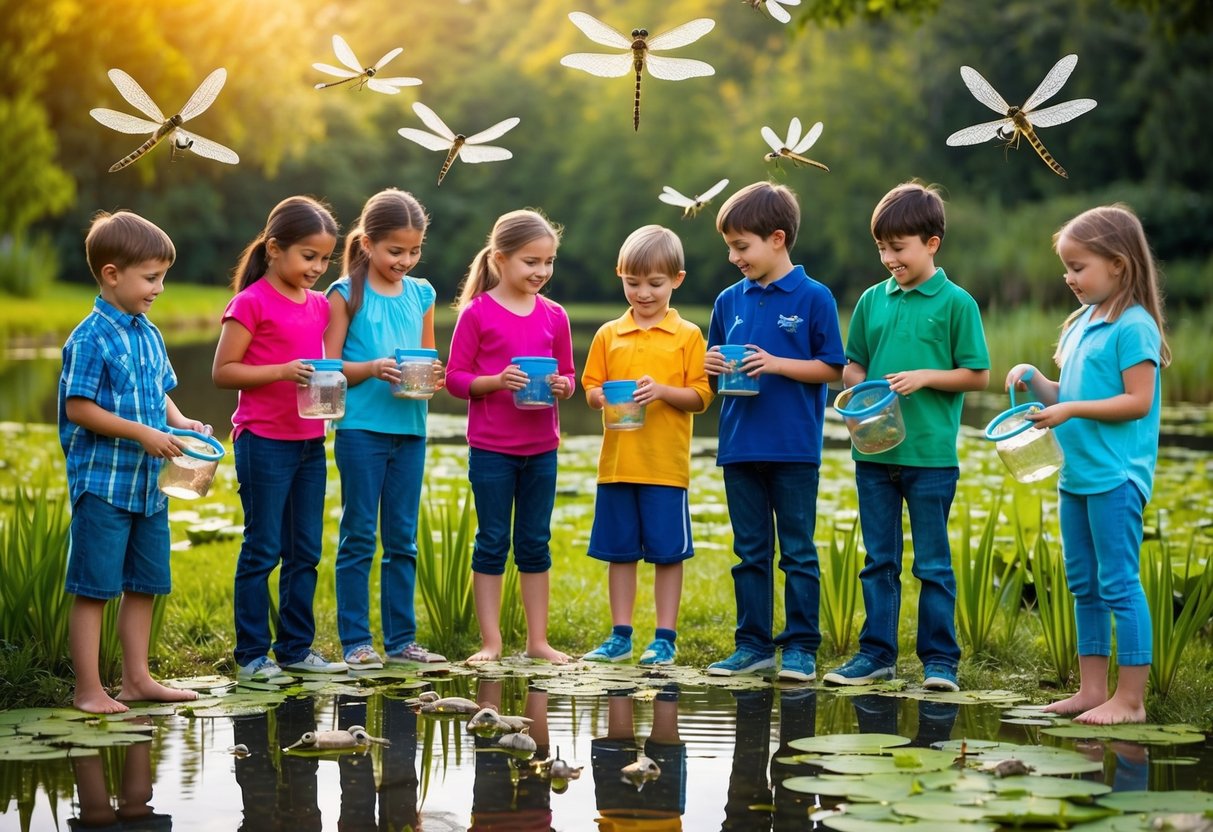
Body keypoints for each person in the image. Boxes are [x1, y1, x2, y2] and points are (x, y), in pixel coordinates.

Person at [823, 181, 989, 693]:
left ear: (932, 243)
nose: (888, 258)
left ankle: (940, 661)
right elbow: (852, 365)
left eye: (898, 248)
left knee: (934, 564)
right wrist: (861, 386)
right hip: (873, 452)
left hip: (930, 456)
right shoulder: (873, 300)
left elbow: (977, 375)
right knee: (879, 561)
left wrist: (925, 377)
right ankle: (876, 655)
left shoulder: (957, 303)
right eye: (881, 249)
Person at [1005, 203, 1168, 725]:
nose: (1069, 277)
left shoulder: (1133, 327)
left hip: (1116, 476)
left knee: (1118, 581)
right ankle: (1092, 689)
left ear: (1118, 264)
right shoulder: (1081, 323)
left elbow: (1137, 401)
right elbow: (1067, 394)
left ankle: (1132, 700)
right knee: (1084, 583)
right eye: (1067, 268)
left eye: (1079, 267)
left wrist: (1070, 407)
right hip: (1076, 474)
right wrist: (1038, 382)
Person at [58, 210, 204, 714]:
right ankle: (88, 689)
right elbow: (79, 408)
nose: (160, 287)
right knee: (95, 586)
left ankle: (136, 679)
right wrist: (142, 433)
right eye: (151, 277)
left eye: (162, 276)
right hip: (103, 486)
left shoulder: (148, 333)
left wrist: (181, 423)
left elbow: (159, 394)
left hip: (149, 485)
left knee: (144, 584)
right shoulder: (89, 337)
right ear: (112, 274)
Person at [703, 182, 846, 681]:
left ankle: (802, 646)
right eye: (730, 247)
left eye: (741, 246)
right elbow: (714, 367)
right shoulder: (728, 300)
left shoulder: (814, 297)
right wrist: (712, 363)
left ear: (778, 238)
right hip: (739, 445)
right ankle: (753, 645)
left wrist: (779, 364)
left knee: (798, 551)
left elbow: (832, 368)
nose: (733, 257)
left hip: (793, 447)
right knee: (750, 553)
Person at [212, 195, 348, 681]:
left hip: (309, 441)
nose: (317, 267)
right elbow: (224, 372)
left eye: (324, 258)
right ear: (274, 248)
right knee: (263, 548)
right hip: (263, 441)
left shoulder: (318, 306)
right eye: (307, 256)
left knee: (305, 550)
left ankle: (295, 648)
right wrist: (283, 371)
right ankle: (251, 654)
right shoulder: (249, 303)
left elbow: (321, 367)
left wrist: (338, 381)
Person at [445, 209, 575, 664]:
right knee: (493, 540)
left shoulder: (555, 316)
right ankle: (492, 643)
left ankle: (537, 642)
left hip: (542, 448)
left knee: (535, 542)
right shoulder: (477, 314)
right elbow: (456, 379)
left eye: (549, 262)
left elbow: (569, 375)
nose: (541, 271)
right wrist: (497, 381)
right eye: (530, 261)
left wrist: (563, 386)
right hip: (493, 450)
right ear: (501, 259)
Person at [323, 188, 446, 669]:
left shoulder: (423, 294)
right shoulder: (345, 294)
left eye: (414, 251)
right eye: (396, 250)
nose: (406, 260)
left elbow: (428, 360)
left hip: (410, 428)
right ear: (368, 243)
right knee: (358, 533)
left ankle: (401, 641)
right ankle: (356, 640)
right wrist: (372, 367)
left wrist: (432, 378)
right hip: (361, 430)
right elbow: (327, 369)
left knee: (402, 537)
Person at [580, 225, 713, 667]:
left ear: (677, 279)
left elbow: (700, 397)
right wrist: (601, 397)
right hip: (617, 464)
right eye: (632, 282)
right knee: (619, 553)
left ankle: (665, 637)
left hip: (664, 467)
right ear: (620, 275)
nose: (643, 293)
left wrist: (661, 392)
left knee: (666, 554)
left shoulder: (688, 336)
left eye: (654, 283)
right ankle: (620, 636)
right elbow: (592, 388)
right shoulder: (607, 334)